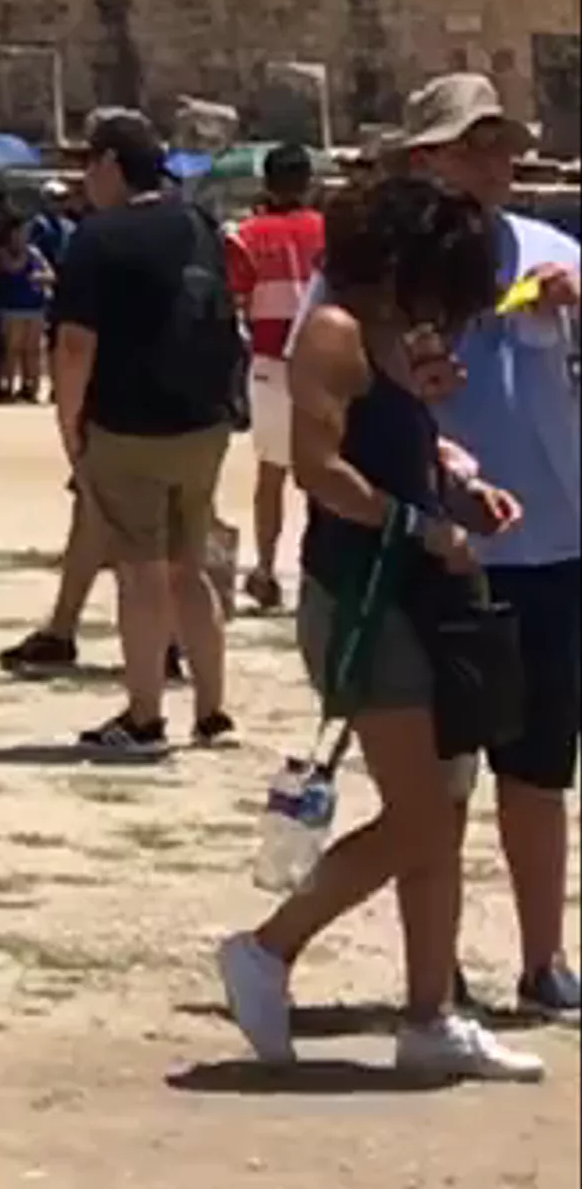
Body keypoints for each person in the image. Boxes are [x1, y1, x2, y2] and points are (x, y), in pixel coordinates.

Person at [212, 163, 537, 1088]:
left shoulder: (391, 336)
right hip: (365, 597)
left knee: (445, 805)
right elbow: (320, 468)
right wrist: (420, 525)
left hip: (423, 591)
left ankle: (430, 1013)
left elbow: (394, 446)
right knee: (425, 815)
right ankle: (268, 949)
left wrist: (458, 486)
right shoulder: (333, 333)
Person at [384, 73, 580, 1032]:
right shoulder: (390, 269)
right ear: (427, 157)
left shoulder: (552, 249)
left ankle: (545, 961)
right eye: (475, 145)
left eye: (502, 144)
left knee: (541, 770)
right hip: (447, 551)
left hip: (555, 546)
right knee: (445, 779)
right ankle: (438, 966)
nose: (496, 162)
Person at [47, 109, 242, 767]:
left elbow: (75, 344)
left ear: (108, 164)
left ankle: (145, 712)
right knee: (193, 567)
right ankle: (212, 709)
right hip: (205, 421)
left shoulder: (99, 237)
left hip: (130, 423)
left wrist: (70, 427)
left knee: (141, 572)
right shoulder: (202, 225)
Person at [222, 140, 329, 611]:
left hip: (270, 361)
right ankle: (321, 575)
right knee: (327, 470)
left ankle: (265, 571)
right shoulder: (330, 232)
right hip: (325, 360)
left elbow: (234, 299)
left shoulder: (246, 235)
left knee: (272, 474)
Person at [0, 204, 51, 405]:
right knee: (12, 349)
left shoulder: (34, 252)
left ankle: (31, 387)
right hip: (11, 308)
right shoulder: (3, 252)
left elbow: (50, 274)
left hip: (34, 307)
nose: (23, 235)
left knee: (33, 350)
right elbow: (12, 268)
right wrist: (26, 262)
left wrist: (40, 274)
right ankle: (7, 387)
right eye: (19, 232)